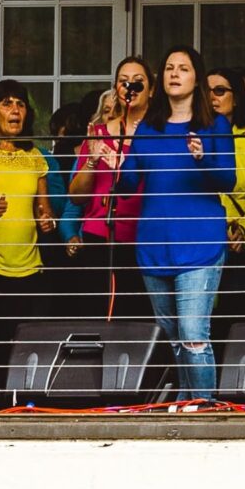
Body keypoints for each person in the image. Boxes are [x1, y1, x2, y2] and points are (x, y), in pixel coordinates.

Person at [123, 47, 237, 400]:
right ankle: (185, 405)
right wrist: (114, 159)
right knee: (172, 337)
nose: (174, 73)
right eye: (169, 67)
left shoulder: (214, 124)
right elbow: (128, 185)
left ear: (196, 78)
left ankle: (204, 411)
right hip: (155, 242)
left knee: (192, 334)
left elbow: (228, 180)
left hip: (199, 242)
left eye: (183, 68)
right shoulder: (148, 128)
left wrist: (203, 158)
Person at [0, 79, 57, 401]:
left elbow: (43, 210)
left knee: (22, 350)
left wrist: (47, 220)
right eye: (7, 103)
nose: (15, 109)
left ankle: (16, 409)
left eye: (20, 103)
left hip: (29, 268)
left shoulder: (35, 157)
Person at [67, 56, 154, 316]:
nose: (130, 87)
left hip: (144, 237)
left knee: (138, 318)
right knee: (97, 315)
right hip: (100, 235)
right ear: (116, 89)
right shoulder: (99, 133)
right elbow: (76, 197)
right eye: (123, 82)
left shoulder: (160, 134)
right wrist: (92, 161)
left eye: (138, 81)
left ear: (151, 90)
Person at [207, 66, 245, 317]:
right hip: (197, 245)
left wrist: (243, 229)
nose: (212, 97)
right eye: (205, 91)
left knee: (235, 323)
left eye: (220, 91)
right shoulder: (185, 138)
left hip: (239, 247)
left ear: (237, 98)